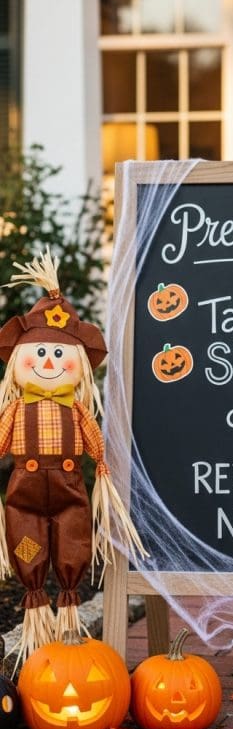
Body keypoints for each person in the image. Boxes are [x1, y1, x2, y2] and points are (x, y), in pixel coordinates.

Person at [0, 249, 146, 663]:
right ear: (18, 362)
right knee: (27, 541)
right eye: (40, 354)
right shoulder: (15, 409)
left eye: (59, 355)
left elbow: (95, 447)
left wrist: (101, 469)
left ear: (78, 364)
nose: (48, 362)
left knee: (72, 539)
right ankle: (34, 604)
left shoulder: (77, 411)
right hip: (23, 492)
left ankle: (67, 608)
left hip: (70, 489)